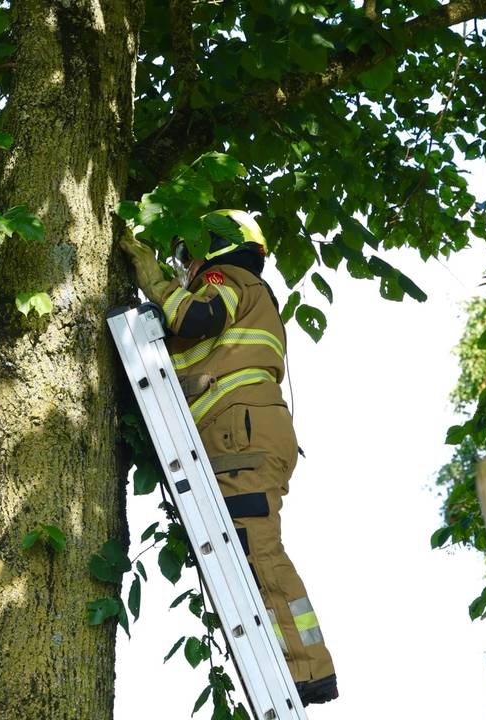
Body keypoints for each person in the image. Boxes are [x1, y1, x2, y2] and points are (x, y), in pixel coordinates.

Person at [118, 209, 338, 706]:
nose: (184, 268)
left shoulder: (228, 279)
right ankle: (299, 661)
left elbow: (196, 317)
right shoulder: (244, 299)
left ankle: (304, 669)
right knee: (250, 551)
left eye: (186, 255)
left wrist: (150, 276)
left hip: (242, 435)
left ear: (212, 247)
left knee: (255, 550)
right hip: (244, 433)